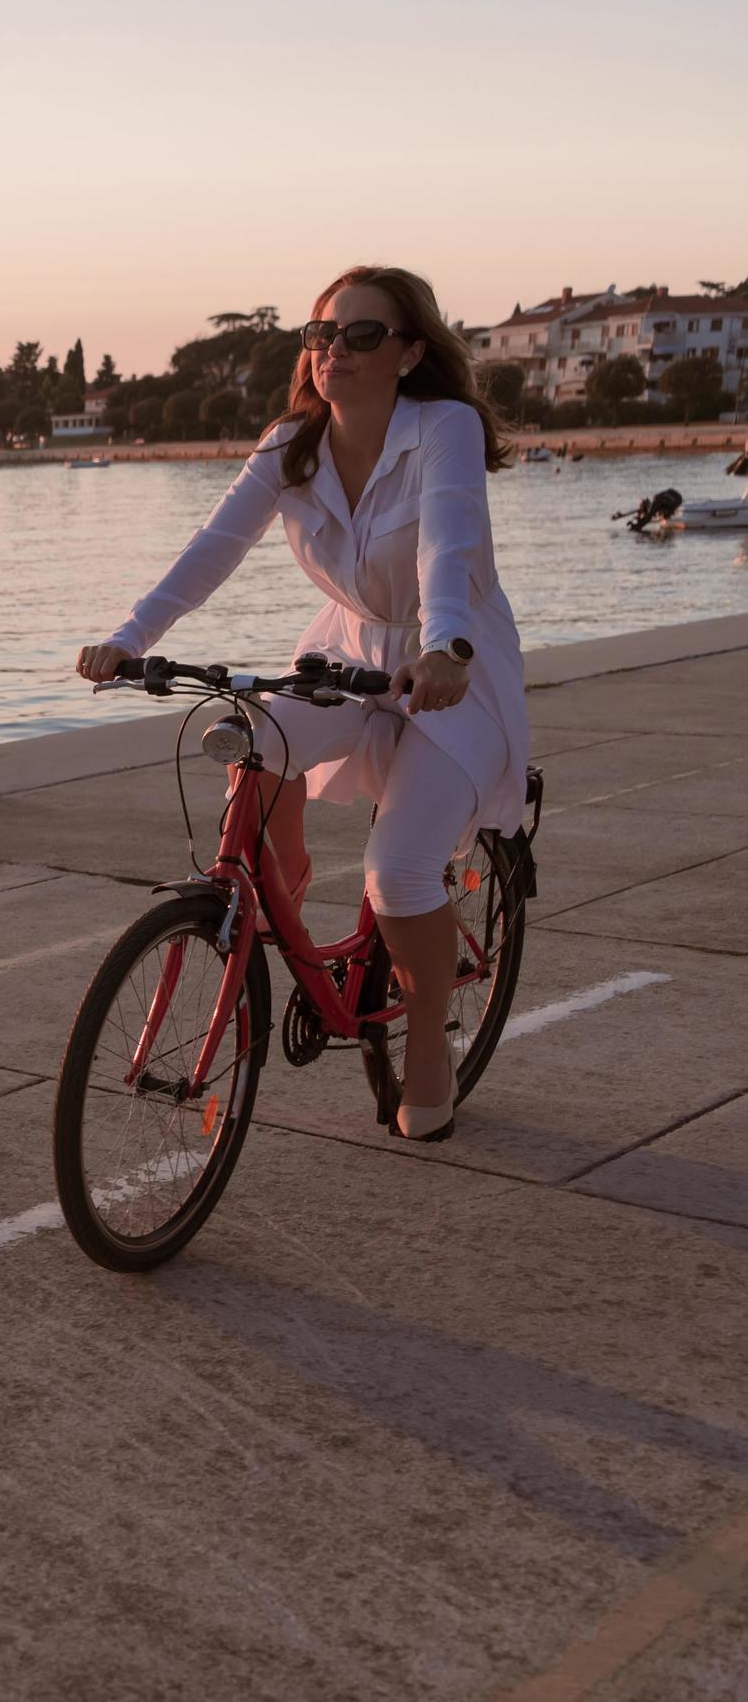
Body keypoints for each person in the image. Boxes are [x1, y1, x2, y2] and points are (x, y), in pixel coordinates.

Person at [75, 265, 529, 1143]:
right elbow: (212, 547)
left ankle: (428, 1033)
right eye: (321, 335)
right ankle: (271, 881)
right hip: (349, 647)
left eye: (361, 335)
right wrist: (129, 638)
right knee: (248, 729)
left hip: (450, 659)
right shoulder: (291, 442)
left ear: (405, 352)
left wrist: (446, 649)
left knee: (398, 871)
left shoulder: (443, 429)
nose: (335, 351)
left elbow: (447, 545)